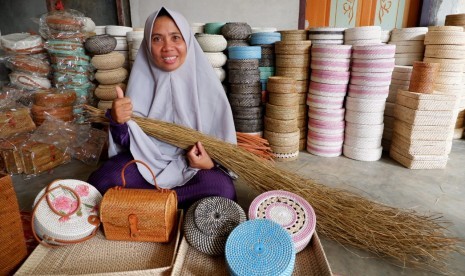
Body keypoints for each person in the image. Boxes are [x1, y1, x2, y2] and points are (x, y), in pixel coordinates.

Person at [88, 7, 237, 208]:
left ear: (188, 42)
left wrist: (209, 164)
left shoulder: (209, 87)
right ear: (147, 46)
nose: (167, 47)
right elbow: (127, 142)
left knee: (222, 191)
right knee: (103, 181)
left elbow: (225, 148)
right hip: (146, 164)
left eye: (176, 37)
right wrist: (118, 121)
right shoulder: (140, 83)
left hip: (192, 169)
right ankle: (166, 208)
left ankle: (148, 206)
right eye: (157, 39)